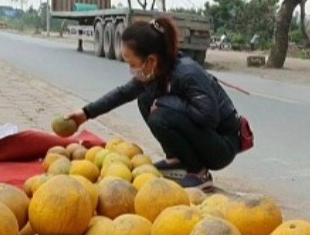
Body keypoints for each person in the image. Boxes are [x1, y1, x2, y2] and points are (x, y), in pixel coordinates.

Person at [67, 17, 245, 190]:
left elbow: (209, 117)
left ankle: (199, 174)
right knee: (145, 99)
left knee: (160, 115)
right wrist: (85, 113)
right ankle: (176, 161)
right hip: (206, 138)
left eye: (132, 63)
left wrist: (166, 103)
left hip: (221, 146)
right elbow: (123, 93)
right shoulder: (158, 71)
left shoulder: (187, 73)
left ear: (151, 61)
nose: (131, 70)